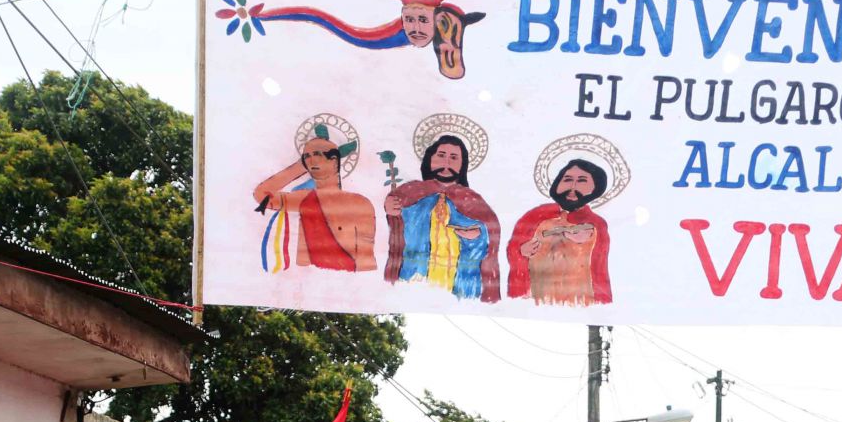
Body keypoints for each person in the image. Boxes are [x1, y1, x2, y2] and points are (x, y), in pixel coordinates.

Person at [382, 128, 501, 300]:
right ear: (430, 159)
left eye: (454, 158)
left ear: (462, 164)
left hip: (456, 278)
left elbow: (490, 233)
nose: (446, 163)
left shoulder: (473, 200)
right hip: (415, 275)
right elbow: (398, 224)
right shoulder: (410, 191)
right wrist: (391, 210)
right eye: (441, 155)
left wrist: (476, 237)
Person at [252, 122, 377, 272]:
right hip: (308, 281)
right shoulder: (304, 199)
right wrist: (300, 165)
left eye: (318, 154)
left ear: (335, 159)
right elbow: (261, 194)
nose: (312, 160)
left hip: (346, 282)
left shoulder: (360, 204)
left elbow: (366, 261)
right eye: (307, 156)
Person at [505, 154, 615, 306]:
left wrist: (585, 244)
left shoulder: (596, 224)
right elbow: (514, 250)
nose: (572, 187)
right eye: (568, 179)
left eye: (582, 181)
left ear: (596, 187)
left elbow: (600, 270)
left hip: (580, 299)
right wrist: (521, 252)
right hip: (536, 297)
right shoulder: (536, 216)